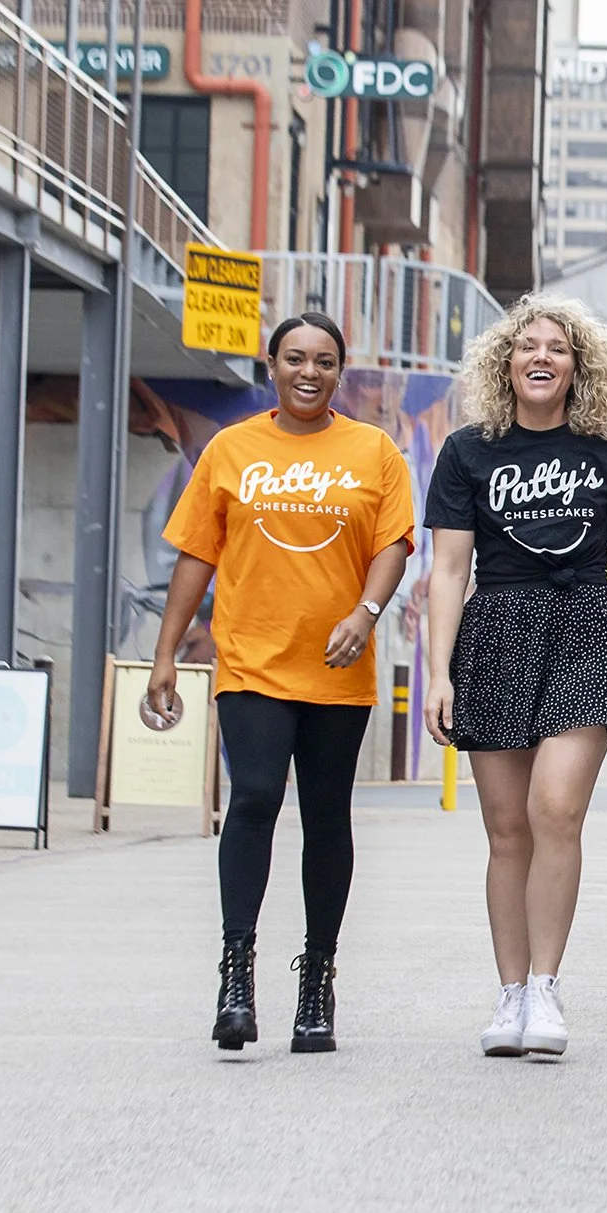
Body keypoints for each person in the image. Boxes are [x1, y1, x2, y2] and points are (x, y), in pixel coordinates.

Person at [150, 314, 416, 1054]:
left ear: (340, 371)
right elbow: (197, 555)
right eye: (295, 357)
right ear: (271, 364)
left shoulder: (374, 451)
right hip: (252, 661)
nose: (309, 371)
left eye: (324, 361)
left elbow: (394, 543)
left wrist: (366, 614)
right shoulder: (232, 450)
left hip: (337, 664)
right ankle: (236, 974)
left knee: (327, 815)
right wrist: (166, 653)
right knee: (258, 795)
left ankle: (316, 982)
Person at [422, 295, 607, 1060]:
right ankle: (511, 991)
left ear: (576, 367)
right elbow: (449, 567)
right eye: (528, 346)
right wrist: (438, 673)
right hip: (495, 630)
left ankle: (548, 989)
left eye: (557, 347)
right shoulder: (468, 451)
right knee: (506, 828)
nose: (541, 356)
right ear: (506, 363)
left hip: (588, 625)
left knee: (555, 807)